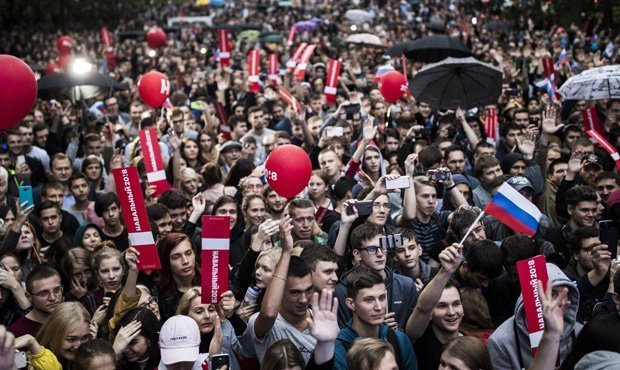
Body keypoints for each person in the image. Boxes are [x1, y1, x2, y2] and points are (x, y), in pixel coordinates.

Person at [242, 216, 317, 365]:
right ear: (279, 290)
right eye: (295, 292)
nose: (303, 299)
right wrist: (286, 252)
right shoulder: (263, 324)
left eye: (308, 291)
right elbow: (269, 313)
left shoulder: (322, 324)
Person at [488, 263, 583, 370]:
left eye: (566, 294)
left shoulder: (580, 333)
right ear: (534, 296)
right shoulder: (502, 342)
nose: (562, 301)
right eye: (553, 293)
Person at [335, 222, 418, 330]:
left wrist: (396, 334)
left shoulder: (406, 285)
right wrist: (374, 328)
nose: (380, 254)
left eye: (383, 247)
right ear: (357, 254)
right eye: (372, 249)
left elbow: (413, 333)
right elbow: (343, 335)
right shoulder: (342, 291)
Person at [334, 267, 418, 370]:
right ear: (351, 304)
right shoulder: (338, 348)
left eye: (382, 298)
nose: (378, 307)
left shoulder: (399, 340)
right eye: (369, 300)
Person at [406, 243, 464, 370]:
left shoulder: (472, 344)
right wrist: (445, 271)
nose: (451, 312)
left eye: (456, 304)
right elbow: (423, 308)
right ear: (430, 314)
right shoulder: (418, 340)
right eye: (442, 306)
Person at [9, 265, 63, 337]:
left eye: (57, 290)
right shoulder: (17, 332)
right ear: (29, 297)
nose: (52, 298)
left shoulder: (70, 320)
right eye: (43, 293)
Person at [36, 301, 91, 369]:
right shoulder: (36, 363)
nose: (78, 345)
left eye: (84, 338)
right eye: (71, 339)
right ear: (54, 335)